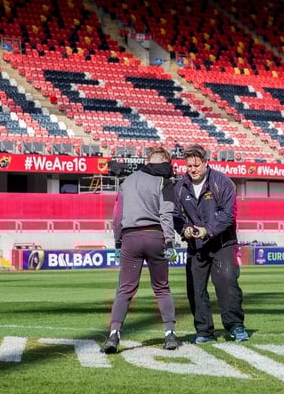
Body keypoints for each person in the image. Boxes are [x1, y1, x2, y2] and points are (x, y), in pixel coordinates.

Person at [101, 146, 182, 354]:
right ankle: (170, 333)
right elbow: (166, 214)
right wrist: (171, 243)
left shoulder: (128, 181)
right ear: (166, 162)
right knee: (162, 288)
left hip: (130, 238)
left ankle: (113, 334)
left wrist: (118, 242)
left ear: (148, 160)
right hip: (155, 236)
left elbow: (117, 216)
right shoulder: (164, 181)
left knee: (125, 290)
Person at [174, 144, 249, 344]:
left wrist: (208, 230)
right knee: (195, 289)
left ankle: (235, 326)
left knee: (227, 283)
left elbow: (228, 215)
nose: (193, 169)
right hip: (195, 247)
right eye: (189, 165)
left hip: (223, 243)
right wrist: (184, 230)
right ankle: (204, 331)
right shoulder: (180, 186)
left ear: (206, 162)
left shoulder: (222, 182)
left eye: (196, 165)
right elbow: (175, 215)